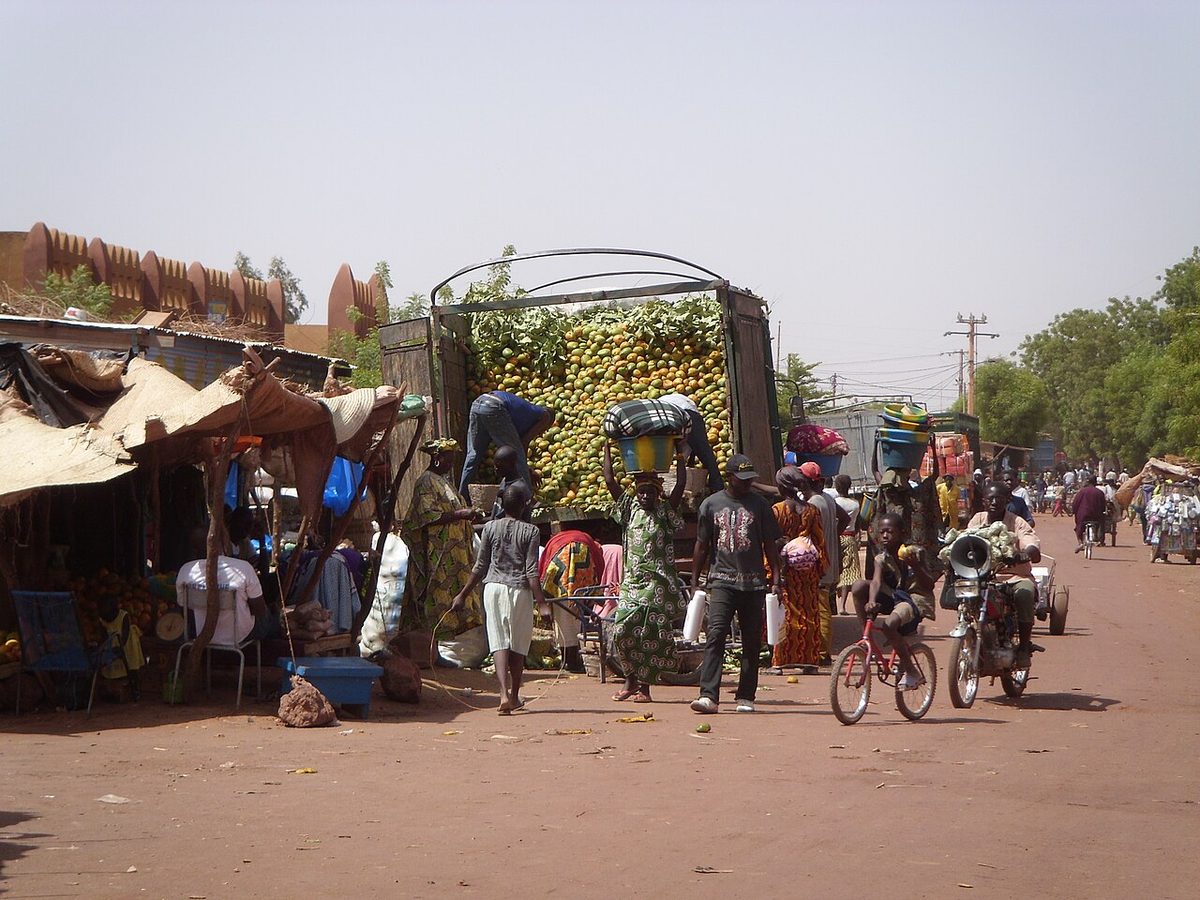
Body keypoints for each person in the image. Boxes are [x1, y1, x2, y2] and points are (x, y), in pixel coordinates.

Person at [690, 455, 783, 714]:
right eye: (741, 480)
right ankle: (709, 695)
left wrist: (776, 579)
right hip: (721, 582)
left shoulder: (760, 505)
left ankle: (746, 695)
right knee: (716, 635)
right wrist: (695, 580)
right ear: (729, 478)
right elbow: (702, 544)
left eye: (749, 480)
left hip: (753, 584)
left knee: (752, 640)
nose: (746, 484)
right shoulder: (711, 505)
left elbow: (770, 545)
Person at [603, 442, 688, 703]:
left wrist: (679, 455)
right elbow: (610, 481)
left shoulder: (664, 512)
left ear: (658, 494)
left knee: (650, 632)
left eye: (650, 493)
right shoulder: (630, 510)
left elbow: (681, 485)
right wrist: (608, 449)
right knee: (623, 629)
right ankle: (630, 681)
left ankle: (645, 689)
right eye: (641, 493)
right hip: (633, 583)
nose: (645, 497)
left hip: (657, 585)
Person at [452, 483, 545, 715]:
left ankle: (503, 694)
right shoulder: (531, 531)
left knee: (498, 641)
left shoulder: (490, 528)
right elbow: (531, 571)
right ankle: (514, 696)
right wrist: (542, 603)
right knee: (518, 644)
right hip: (519, 591)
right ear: (524, 506)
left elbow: (480, 565)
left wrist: (463, 594)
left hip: (493, 589)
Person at [401, 439, 484, 637]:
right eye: (449, 459)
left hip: (455, 552)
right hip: (438, 552)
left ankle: (449, 643)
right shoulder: (426, 481)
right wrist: (461, 514)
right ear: (437, 458)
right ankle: (436, 644)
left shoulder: (444, 480)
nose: (451, 464)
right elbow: (427, 515)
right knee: (439, 595)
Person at [848, 513, 932, 688]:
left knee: (888, 625)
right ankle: (867, 639)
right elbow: (877, 581)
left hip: (913, 599)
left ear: (902, 533)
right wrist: (871, 601)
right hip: (894, 596)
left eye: (890, 532)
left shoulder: (915, 552)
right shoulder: (881, 557)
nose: (885, 536)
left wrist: (915, 566)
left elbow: (929, 585)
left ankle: (911, 670)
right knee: (858, 586)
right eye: (882, 532)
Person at [967, 483, 1042, 667]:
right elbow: (967, 539)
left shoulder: (1018, 522)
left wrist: (1025, 554)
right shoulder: (977, 519)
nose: (994, 502)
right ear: (983, 501)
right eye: (990, 498)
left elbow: (1031, 543)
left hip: (1014, 578)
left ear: (1007, 501)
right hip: (984, 578)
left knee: (1025, 593)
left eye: (998, 498)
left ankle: (1024, 646)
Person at [767, 466, 827, 672]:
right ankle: (809, 660)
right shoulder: (811, 511)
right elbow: (820, 543)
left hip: (783, 571)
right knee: (809, 612)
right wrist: (820, 569)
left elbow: (770, 543)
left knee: (782, 614)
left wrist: (770, 571)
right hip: (807, 571)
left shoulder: (777, 511)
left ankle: (780, 661)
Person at [176, 540, 282, 645]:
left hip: (199, 634)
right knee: (272, 619)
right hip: (240, 636)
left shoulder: (186, 571)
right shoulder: (243, 568)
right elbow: (259, 610)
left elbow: (184, 607)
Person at [459, 390, 554, 497]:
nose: (543, 432)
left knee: (473, 454)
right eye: (545, 429)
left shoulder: (527, 414)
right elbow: (522, 446)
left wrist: (527, 470)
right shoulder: (545, 417)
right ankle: (527, 499)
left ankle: (462, 496)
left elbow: (521, 443)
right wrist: (527, 473)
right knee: (515, 454)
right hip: (494, 406)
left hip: (478, 403)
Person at [538, 529, 603, 674]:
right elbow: (598, 565)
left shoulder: (556, 541)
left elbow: (544, 564)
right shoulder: (588, 541)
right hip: (582, 578)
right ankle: (572, 661)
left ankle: (568, 660)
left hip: (558, 581)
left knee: (563, 620)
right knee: (575, 619)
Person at [798, 461, 844, 663]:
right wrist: (832, 534)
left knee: (822, 609)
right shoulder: (827, 499)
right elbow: (843, 519)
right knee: (820, 608)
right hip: (829, 561)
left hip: (819, 565)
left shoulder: (814, 503)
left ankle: (823, 654)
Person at [656, 392, 725, 494]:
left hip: (677, 412)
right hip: (678, 411)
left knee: (703, 451)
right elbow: (687, 449)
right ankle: (716, 485)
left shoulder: (660, 436)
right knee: (702, 450)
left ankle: (717, 486)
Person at [97, 594, 144, 700]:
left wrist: (121, 647)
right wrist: (103, 646)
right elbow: (103, 634)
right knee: (112, 670)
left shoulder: (124, 615)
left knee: (132, 668)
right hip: (112, 643)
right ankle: (113, 691)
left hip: (127, 644)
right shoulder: (102, 619)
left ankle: (135, 690)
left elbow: (126, 633)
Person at [833, 474, 862, 615]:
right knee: (848, 572)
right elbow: (857, 524)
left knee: (835, 570)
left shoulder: (833, 502)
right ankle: (843, 606)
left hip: (836, 538)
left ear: (836, 487)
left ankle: (835, 603)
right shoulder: (855, 504)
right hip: (849, 538)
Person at [1072, 475, 1108, 553]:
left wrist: (1073, 511)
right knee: (1101, 522)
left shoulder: (1082, 491)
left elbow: (1075, 503)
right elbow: (1103, 506)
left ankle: (1080, 543)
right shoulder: (1100, 493)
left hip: (1083, 515)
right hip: (1096, 516)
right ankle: (1099, 538)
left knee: (1078, 528)